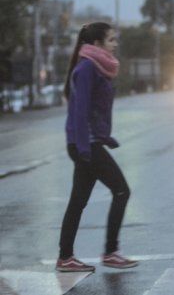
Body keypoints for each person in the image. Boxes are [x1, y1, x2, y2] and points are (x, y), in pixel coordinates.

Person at [56, 22, 137, 272]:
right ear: (97, 45)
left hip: (89, 142)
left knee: (78, 201)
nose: (115, 45)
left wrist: (103, 138)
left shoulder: (97, 68)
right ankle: (111, 252)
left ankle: (65, 258)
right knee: (122, 191)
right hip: (85, 144)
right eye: (111, 40)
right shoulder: (87, 68)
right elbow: (80, 113)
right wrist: (84, 148)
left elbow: (93, 112)